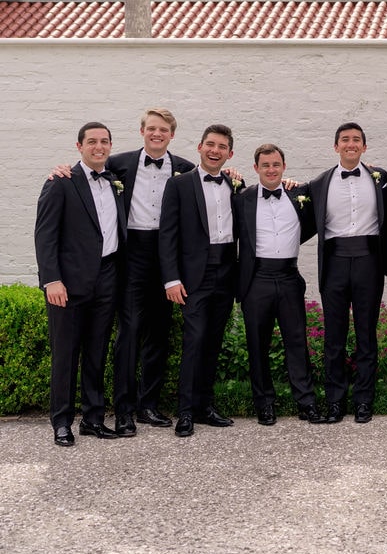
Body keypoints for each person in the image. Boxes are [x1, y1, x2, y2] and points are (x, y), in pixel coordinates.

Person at [48, 108, 195, 435]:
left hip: (168, 255)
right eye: (152, 129)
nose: (157, 134)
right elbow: (87, 171)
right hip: (132, 256)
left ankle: (148, 405)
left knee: (159, 333)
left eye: (164, 130)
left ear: (172, 134)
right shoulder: (119, 164)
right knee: (128, 333)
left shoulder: (185, 169)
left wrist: (237, 176)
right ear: (142, 131)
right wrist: (61, 170)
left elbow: (213, 183)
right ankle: (125, 410)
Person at [35, 122, 127, 446]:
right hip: (68, 284)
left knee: (97, 353)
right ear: (79, 146)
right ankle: (61, 422)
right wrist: (51, 280)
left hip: (107, 277)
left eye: (104, 141)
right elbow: (45, 235)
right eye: (92, 141)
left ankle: (93, 419)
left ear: (110, 146)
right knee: (65, 355)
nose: (98, 147)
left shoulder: (116, 180)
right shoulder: (61, 182)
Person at [310, 123, 387, 425]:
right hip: (334, 262)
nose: (351, 144)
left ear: (364, 147)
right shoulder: (319, 183)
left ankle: (364, 400)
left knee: (366, 334)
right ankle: (335, 401)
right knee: (334, 337)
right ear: (336, 146)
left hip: (368, 261)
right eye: (345, 140)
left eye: (356, 140)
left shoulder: (379, 178)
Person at [159, 124, 242, 437]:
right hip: (195, 276)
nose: (215, 151)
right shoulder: (179, 186)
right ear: (200, 147)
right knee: (194, 341)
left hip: (226, 271)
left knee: (213, 342)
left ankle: (205, 407)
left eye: (222, 147)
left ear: (229, 153)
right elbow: (167, 235)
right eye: (210, 145)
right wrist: (171, 279)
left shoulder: (236, 183)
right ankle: (185, 412)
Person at [234, 144, 325, 426]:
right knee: (257, 343)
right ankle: (264, 404)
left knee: (297, 341)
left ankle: (306, 402)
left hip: (288, 276)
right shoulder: (242, 198)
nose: (271, 170)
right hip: (256, 278)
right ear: (256, 168)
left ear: (283, 166)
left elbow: (312, 225)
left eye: (276, 164)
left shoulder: (299, 195)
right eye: (265, 165)